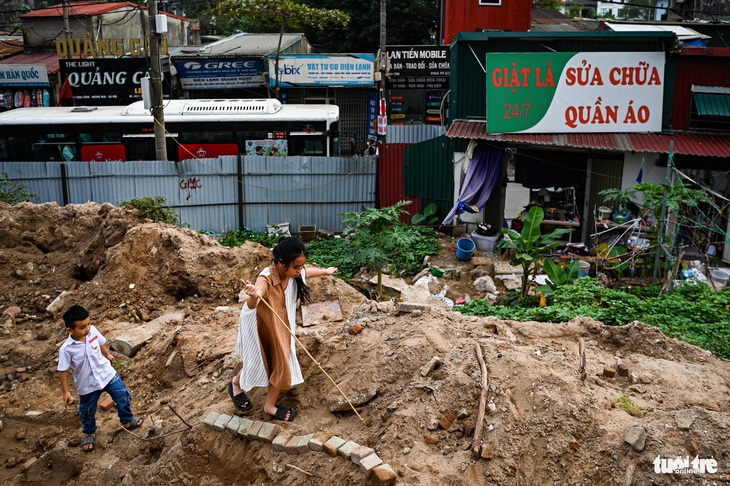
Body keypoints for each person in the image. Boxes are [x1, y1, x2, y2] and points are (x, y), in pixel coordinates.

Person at [230, 237, 337, 422]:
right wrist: (254, 294)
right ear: (281, 263)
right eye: (296, 266)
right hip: (259, 324)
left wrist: (325, 272)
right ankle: (236, 384)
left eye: (301, 266)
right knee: (260, 359)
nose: (299, 270)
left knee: (280, 360)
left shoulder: (294, 274)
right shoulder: (265, 277)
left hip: (281, 324)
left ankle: (269, 406)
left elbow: (307, 273)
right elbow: (257, 297)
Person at [58, 305, 143, 453]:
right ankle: (90, 432)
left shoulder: (93, 331)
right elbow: (62, 371)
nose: (88, 329)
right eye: (82, 327)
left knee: (123, 395)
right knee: (87, 410)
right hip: (87, 384)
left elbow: (100, 342)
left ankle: (127, 420)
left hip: (107, 374)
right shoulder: (66, 349)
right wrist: (66, 392)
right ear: (70, 330)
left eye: (89, 324)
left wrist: (107, 354)